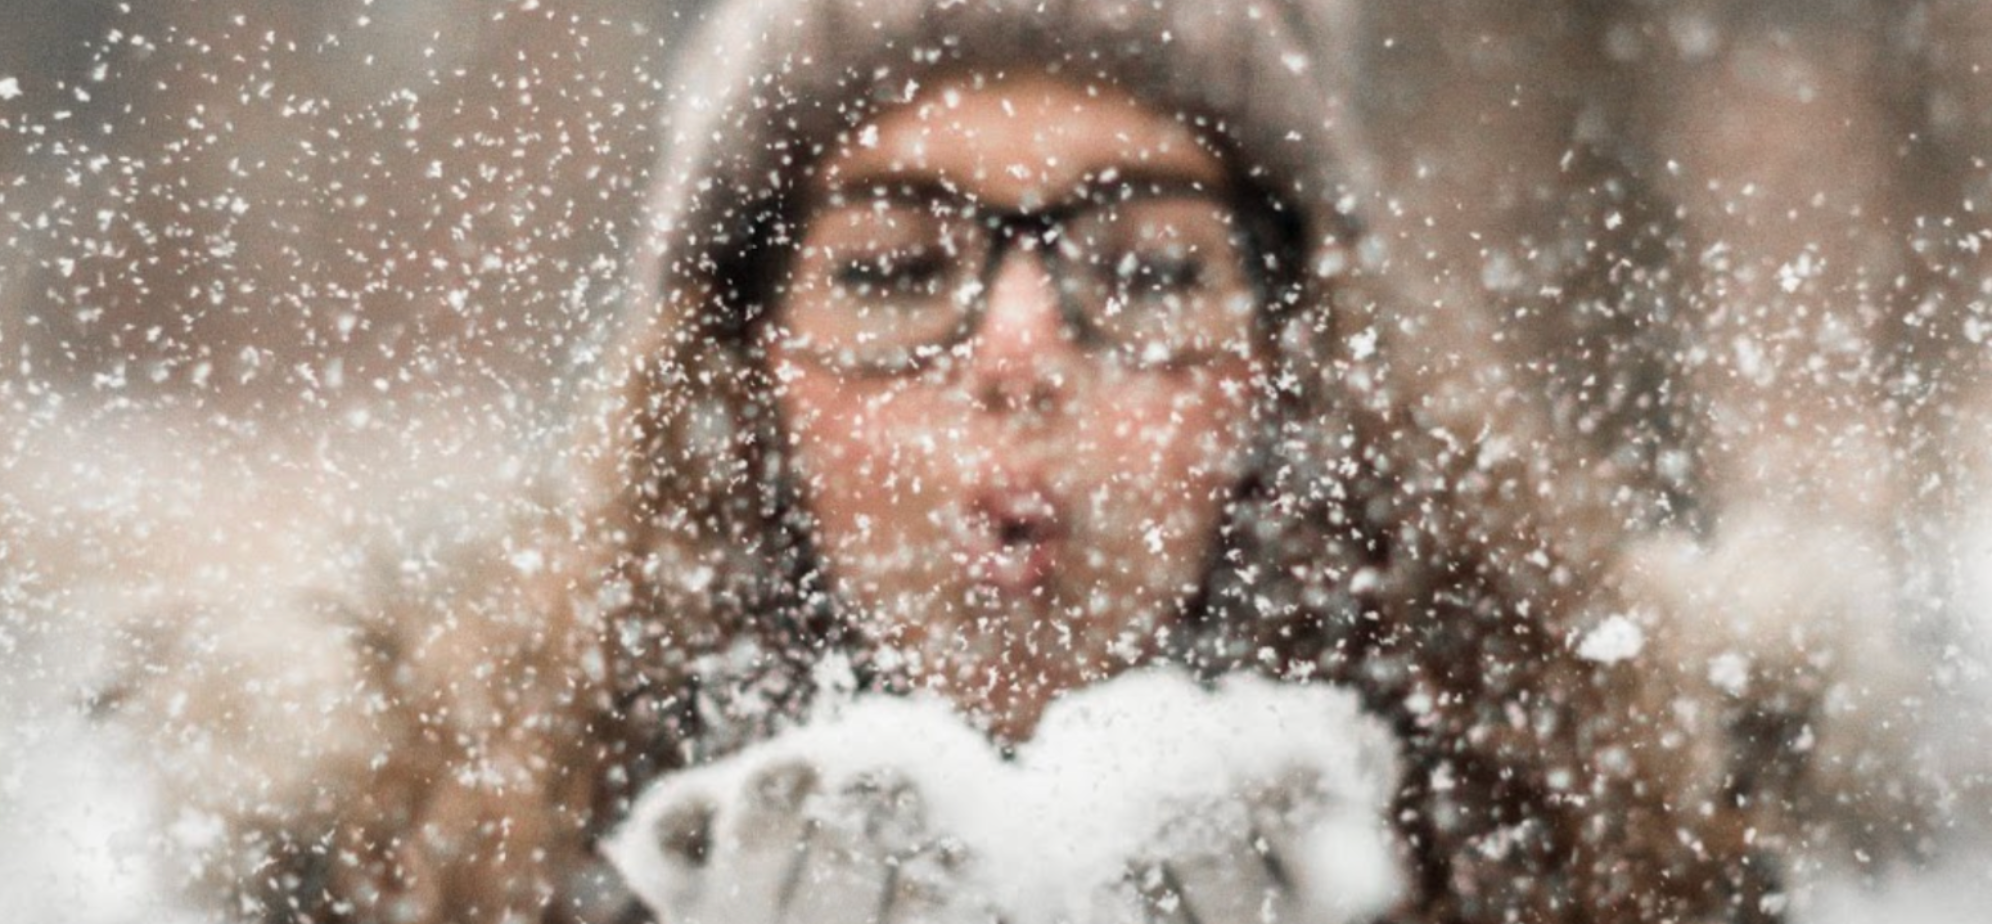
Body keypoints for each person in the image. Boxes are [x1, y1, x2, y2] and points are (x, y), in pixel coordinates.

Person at [113, 1, 1905, 922]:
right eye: (896, 272)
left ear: (1296, 367)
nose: (1020, 357)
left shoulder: (1632, 834)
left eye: (1143, 270)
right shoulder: (423, 860)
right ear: (737, 376)